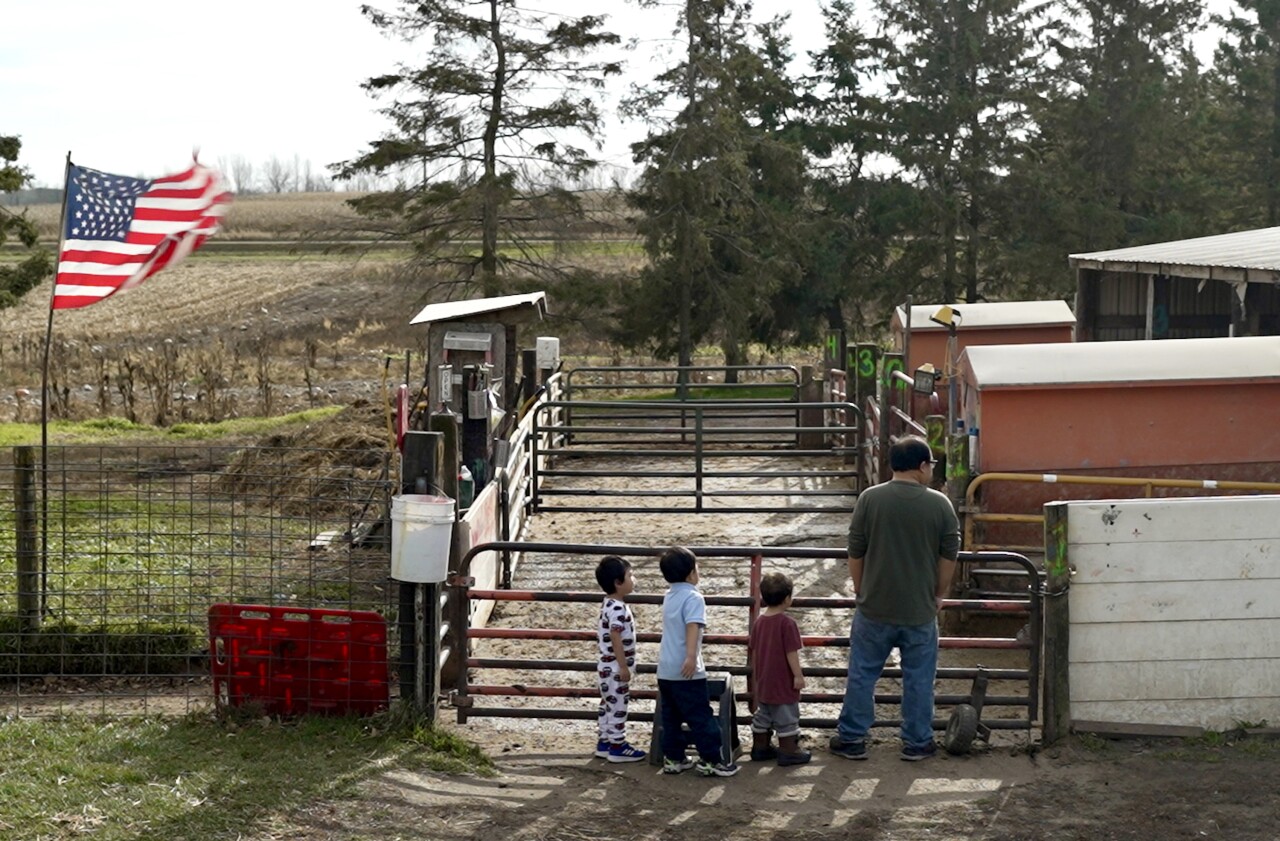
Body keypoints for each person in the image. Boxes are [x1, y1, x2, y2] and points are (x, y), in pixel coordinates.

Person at [829, 435, 961, 762]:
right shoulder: (939, 504)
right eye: (931, 464)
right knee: (918, 679)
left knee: (862, 674)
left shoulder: (870, 499)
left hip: (874, 607)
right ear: (921, 466)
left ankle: (852, 738)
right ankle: (917, 741)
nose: (932, 470)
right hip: (919, 609)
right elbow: (949, 556)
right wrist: (938, 593)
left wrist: (862, 590)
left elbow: (855, 551)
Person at [656, 546, 740, 777]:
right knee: (701, 716)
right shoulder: (694, 597)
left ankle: (674, 758)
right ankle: (712, 760)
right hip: (687, 669)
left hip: (665, 668)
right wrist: (691, 656)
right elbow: (693, 626)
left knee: (671, 717)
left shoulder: (669, 595)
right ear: (691, 573)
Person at [748, 571, 811, 766]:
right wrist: (798, 675)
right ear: (787, 599)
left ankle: (760, 747)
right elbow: (791, 652)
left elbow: (755, 650)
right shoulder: (787, 624)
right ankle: (789, 750)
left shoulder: (759, 622)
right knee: (787, 716)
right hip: (782, 680)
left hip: (764, 679)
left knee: (764, 713)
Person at [593, 555, 646, 762]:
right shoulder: (618, 608)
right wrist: (623, 666)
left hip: (605, 666)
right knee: (618, 706)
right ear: (618, 582)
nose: (634, 579)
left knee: (607, 704)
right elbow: (616, 635)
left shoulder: (608, 604)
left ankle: (604, 741)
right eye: (630, 575)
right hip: (616, 667)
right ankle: (617, 745)